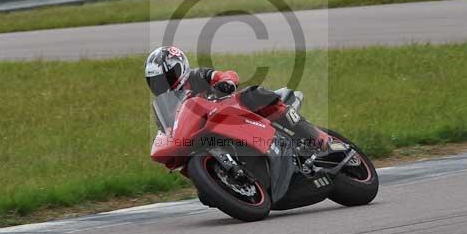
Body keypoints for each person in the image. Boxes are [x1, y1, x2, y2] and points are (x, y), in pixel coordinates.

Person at [144, 45, 336, 155]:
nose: (164, 85)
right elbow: (168, 129)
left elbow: (224, 75)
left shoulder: (196, 76)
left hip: (232, 110)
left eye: (167, 77)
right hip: (208, 132)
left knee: (255, 94)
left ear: (181, 67)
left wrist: (226, 83)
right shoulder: (166, 107)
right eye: (157, 82)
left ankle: (318, 138)